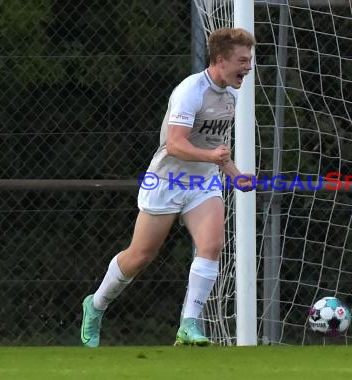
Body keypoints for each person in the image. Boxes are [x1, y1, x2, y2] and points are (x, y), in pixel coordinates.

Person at [80, 27, 256, 347]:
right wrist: (212, 157)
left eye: (250, 60)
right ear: (220, 60)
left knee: (212, 245)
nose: (248, 67)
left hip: (203, 182)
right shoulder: (190, 91)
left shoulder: (231, 94)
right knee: (140, 256)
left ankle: (188, 325)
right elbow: (174, 145)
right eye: (242, 60)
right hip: (166, 181)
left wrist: (234, 173)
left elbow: (216, 146)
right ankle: (96, 304)